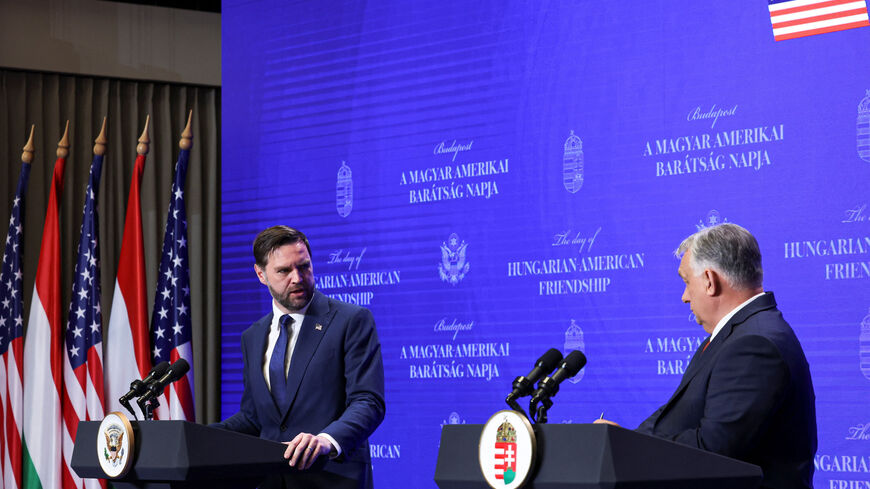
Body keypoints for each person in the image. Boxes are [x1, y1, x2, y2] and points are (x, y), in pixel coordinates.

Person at [595, 223, 817, 489]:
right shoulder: (740, 336)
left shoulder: (753, 344)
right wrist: (629, 442)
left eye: (687, 282)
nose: (684, 297)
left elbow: (713, 449)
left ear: (710, 281)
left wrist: (629, 449)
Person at [214, 226, 385, 489]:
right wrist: (199, 436)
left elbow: (368, 401)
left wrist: (326, 440)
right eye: (284, 271)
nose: (297, 277)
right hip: (272, 480)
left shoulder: (350, 321)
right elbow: (253, 417)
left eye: (304, 266)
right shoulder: (253, 336)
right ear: (261, 274)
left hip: (333, 479)